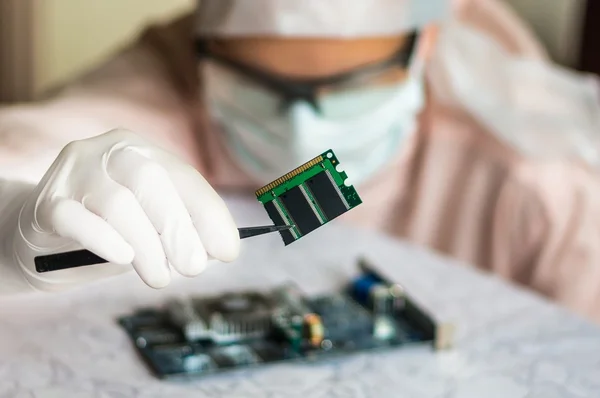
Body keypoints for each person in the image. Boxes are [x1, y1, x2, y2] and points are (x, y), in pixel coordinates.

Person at [1, 0, 600, 322]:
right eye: (256, 81)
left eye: (352, 83)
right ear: (203, 48)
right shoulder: (160, 88)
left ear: (427, 44)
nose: (302, 128)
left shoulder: (543, 177)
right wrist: (10, 225)